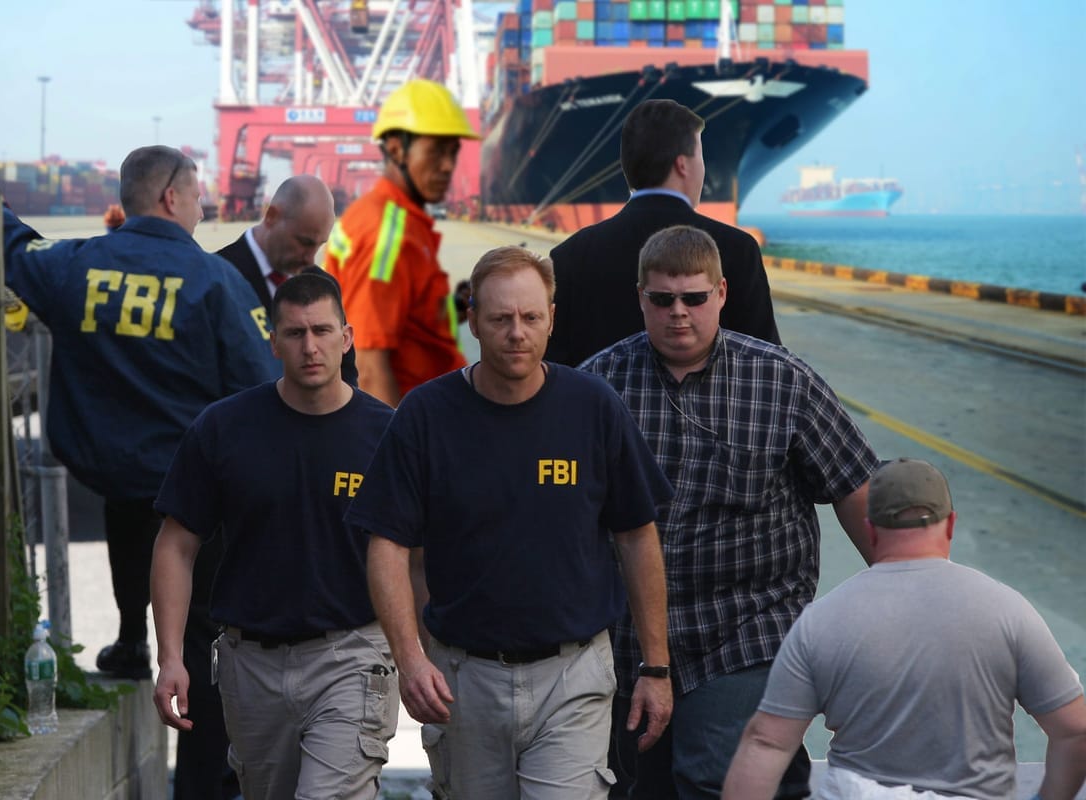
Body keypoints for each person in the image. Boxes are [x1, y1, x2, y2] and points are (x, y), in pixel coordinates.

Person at [348, 246, 675, 799]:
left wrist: (656, 668)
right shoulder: (426, 415)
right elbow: (386, 544)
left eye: (530, 317)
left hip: (572, 676)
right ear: (473, 321)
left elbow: (637, 536)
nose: (517, 333)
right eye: (500, 319)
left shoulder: (593, 407)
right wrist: (409, 659)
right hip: (463, 680)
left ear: (552, 318)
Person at [580, 225, 879, 799]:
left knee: (716, 773)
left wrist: (905, 594)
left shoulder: (783, 382)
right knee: (632, 786)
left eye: (694, 298)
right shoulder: (597, 386)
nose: (679, 313)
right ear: (640, 298)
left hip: (748, 624)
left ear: (720, 293)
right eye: (662, 299)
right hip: (629, 637)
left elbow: (855, 487)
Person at [0, 145, 277, 690]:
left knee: (131, 511)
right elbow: (261, 385)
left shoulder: (74, 265)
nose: (202, 209)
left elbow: (13, 249)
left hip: (112, 468)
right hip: (194, 484)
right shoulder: (217, 282)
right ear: (171, 197)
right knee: (204, 623)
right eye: (198, 197)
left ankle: (133, 637)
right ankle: (197, 697)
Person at [151, 273, 398, 800]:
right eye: (295, 333)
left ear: (346, 338)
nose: (310, 347)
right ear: (273, 342)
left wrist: (423, 658)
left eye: (322, 331)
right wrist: (170, 656)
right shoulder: (223, 429)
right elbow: (176, 546)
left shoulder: (386, 435)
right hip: (252, 665)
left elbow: (417, 557)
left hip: (352, 656)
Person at [723, 458, 1086, 800]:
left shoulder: (821, 621)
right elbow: (1075, 731)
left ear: (870, 529)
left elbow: (767, 743)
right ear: (951, 524)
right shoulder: (1007, 611)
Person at [547, 99, 779, 368]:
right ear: (683, 165)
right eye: (700, 157)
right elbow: (769, 361)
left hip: (594, 395)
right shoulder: (738, 249)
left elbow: (554, 368)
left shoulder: (569, 255)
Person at [324, 78, 476, 405]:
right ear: (396, 148)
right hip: (415, 418)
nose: (448, 166)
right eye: (435, 152)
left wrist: (453, 308)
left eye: (453, 152)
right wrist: (392, 436)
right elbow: (369, 365)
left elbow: (405, 321)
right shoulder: (385, 232)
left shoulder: (401, 221)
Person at [215, 175, 358, 384]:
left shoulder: (323, 284)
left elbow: (346, 374)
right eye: (305, 242)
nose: (310, 258)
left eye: (319, 245)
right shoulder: (216, 278)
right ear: (272, 216)